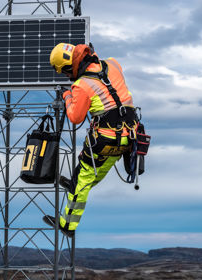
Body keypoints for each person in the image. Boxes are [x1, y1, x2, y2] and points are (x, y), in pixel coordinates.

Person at [43, 43, 138, 237]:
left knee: (84, 175)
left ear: (71, 67)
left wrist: (68, 94)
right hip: (129, 136)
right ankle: (77, 186)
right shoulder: (113, 64)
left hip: (105, 138)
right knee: (97, 170)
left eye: (65, 73)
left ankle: (67, 225)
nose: (67, 77)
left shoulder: (82, 86)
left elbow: (75, 117)